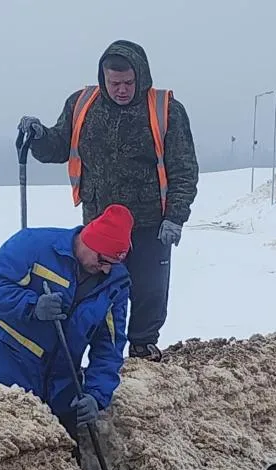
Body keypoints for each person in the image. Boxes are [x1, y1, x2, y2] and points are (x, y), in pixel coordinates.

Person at [17, 39, 199, 363]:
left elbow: (184, 169)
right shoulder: (82, 104)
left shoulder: (165, 110)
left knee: (149, 290)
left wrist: (175, 216)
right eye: (114, 83)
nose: (121, 90)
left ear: (141, 76)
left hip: (149, 222)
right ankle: (95, 353)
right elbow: (58, 147)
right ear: (103, 78)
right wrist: (41, 136)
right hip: (98, 223)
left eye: (128, 82)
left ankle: (142, 346)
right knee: (97, 290)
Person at [0, 204, 133, 450]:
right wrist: (32, 306)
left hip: (60, 390)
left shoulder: (115, 284)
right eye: (102, 260)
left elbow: (109, 347)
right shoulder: (34, 245)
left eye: (114, 263)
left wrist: (96, 395)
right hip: (4, 378)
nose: (106, 269)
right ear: (88, 240)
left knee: (62, 461)